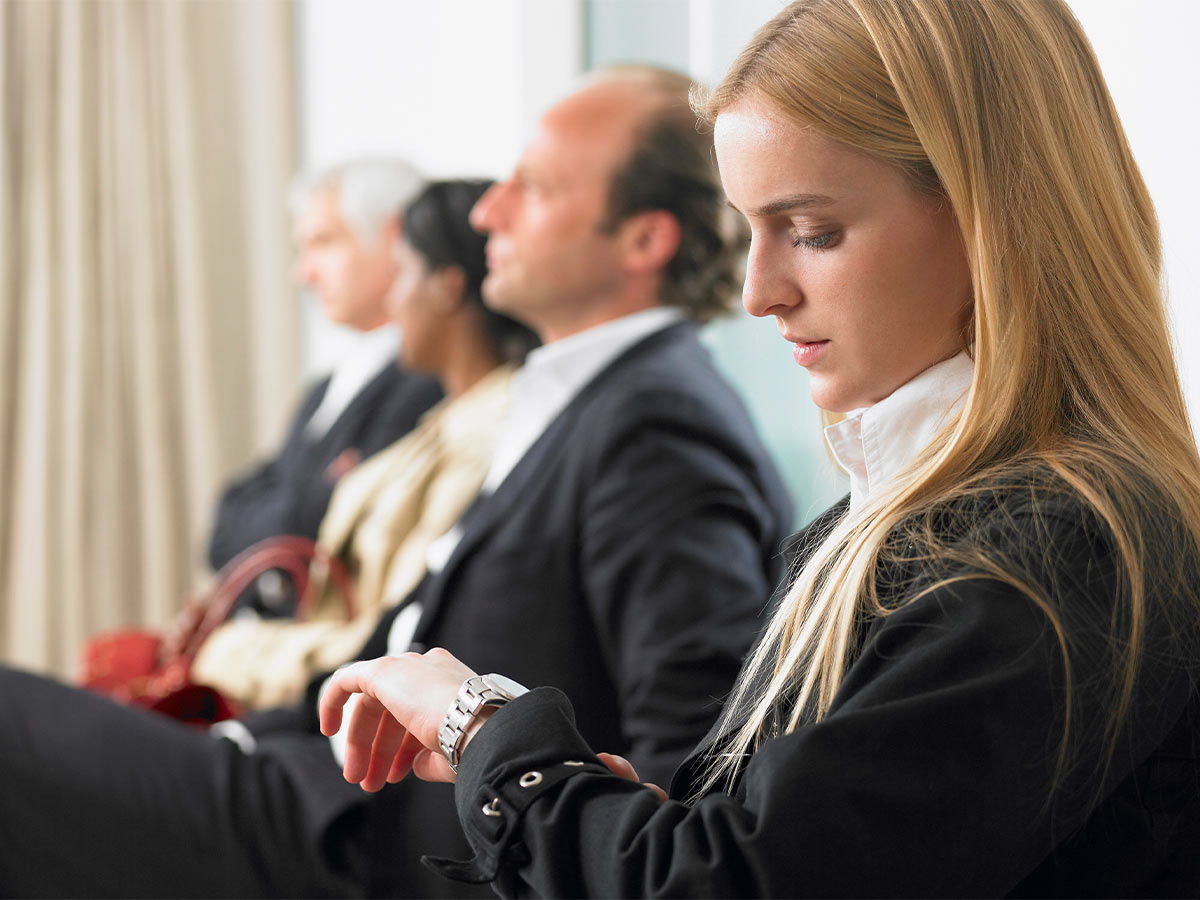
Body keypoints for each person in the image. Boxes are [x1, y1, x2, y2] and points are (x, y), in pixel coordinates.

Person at [318, 2, 1200, 897]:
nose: (757, 293)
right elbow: (794, 846)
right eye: (752, 233)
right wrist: (613, 811)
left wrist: (485, 731)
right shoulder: (884, 525)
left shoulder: (1055, 551)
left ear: (992, 220)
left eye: (813, 233)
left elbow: (744, 882)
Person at [0, 65, 793, 899]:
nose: (489, 209)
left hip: (370, 853)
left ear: (643, 240)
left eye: (533, 187)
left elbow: (691, 764)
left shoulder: (656, 425)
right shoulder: (585, 403)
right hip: (315, 790)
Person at [188, 179, 540, 710]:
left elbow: (394, 633)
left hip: (345, 704)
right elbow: (249, 514)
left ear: (446, 286)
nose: (393, 302)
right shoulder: (439, 420)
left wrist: (231, 651)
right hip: (319, 682)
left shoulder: (479, 427)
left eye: (401, 275)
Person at [207, 158, 443, 616]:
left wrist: (282, 514)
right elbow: (223, 529)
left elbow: (326, 531)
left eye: (324, 242)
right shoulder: (324, 388)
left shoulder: (429, 381)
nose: (303, 274)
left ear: (395, 237)